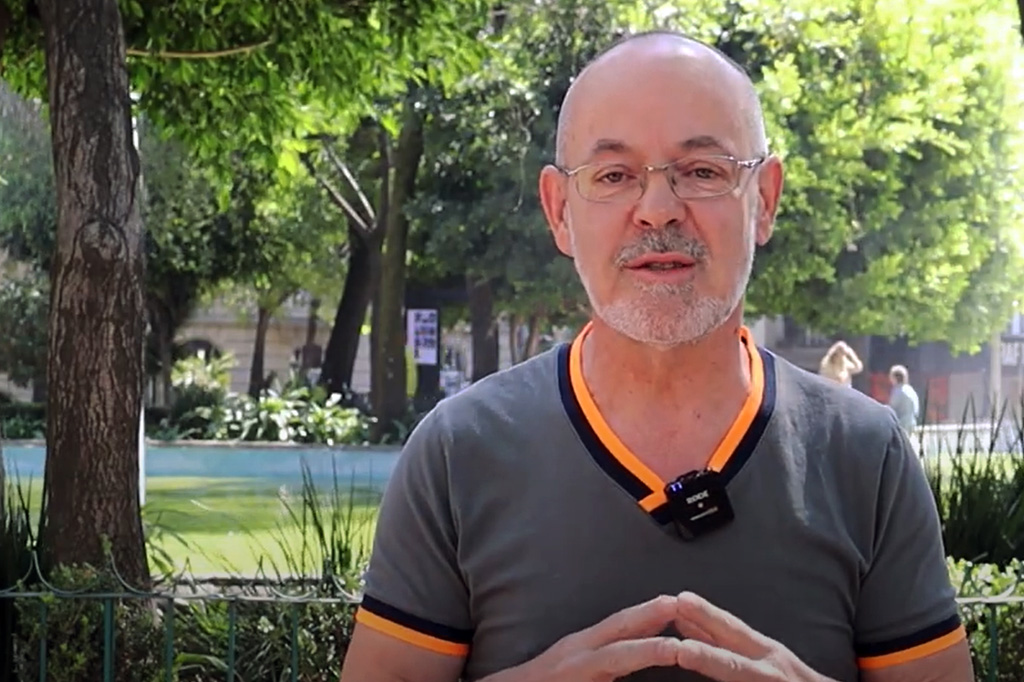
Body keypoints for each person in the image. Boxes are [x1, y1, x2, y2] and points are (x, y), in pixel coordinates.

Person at [340, 30, 972, 682]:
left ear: (765, 199)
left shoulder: (867, 456)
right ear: (559, 211)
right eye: (614, 176)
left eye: (702, 171)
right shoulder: (458, 454)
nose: (658, 210)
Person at [888, 364, 921, 434]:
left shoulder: (897, 390)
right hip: (912, 422)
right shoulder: (910, 390)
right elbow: (916, 409)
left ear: (895, 377)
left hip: (901, 424)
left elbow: (892, 408)